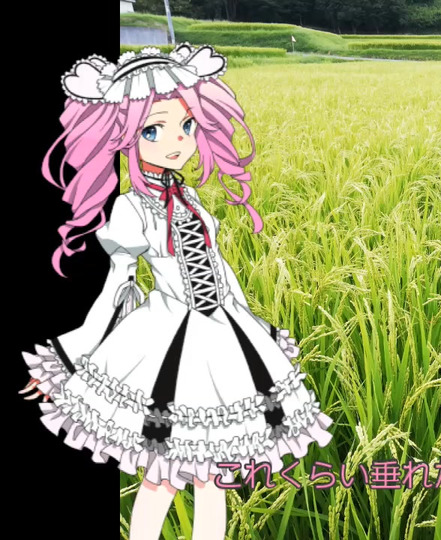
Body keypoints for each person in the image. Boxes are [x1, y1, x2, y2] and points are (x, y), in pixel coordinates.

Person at [20, 44, 334, 540]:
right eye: (153, 130)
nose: (177, 142)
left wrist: (257, 331)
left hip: (224, 335)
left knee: (212, 475)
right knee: (163, 475)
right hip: (169, 344)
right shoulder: (131, 209)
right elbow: (117, 286)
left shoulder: (188, 197)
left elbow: (219, 269)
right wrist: (71, 353)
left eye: (187, 126)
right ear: (123, 137)